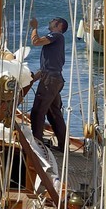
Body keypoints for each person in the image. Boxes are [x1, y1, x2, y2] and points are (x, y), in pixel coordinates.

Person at [29, 16, 68, 152]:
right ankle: (63, 146)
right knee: (53, 113)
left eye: (53, 21)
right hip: (55, 79)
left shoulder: (56, 35)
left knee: (38, 111)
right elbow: (48, 66)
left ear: (59, 25)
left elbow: (36, 42)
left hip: (50, 80)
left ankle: (37, 144)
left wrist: (34, 27)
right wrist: (32, 79)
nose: (50, 21)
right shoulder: (57, 41)